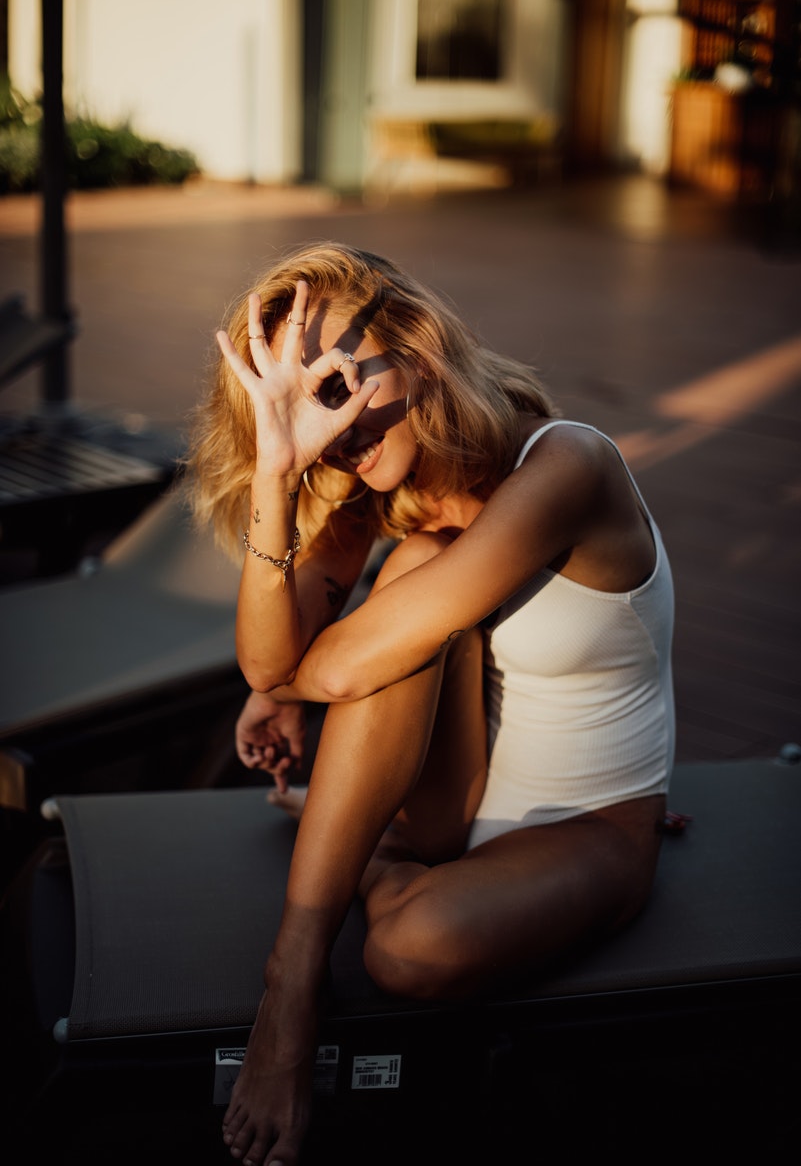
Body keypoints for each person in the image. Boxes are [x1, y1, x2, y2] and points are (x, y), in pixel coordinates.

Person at [189, 242, 674, 1166]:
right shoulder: (376, 478)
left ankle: (357, 862)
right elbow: (267, 664)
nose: (330, 421)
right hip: (455, 805)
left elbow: (317, 673)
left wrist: (291, 683)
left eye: (334, 383)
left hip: (589, 829)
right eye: (297, 396)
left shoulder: (568, 464)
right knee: (409, 575)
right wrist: (280, 474)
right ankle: (290, 980)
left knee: (410, 950)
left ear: (417, 348)